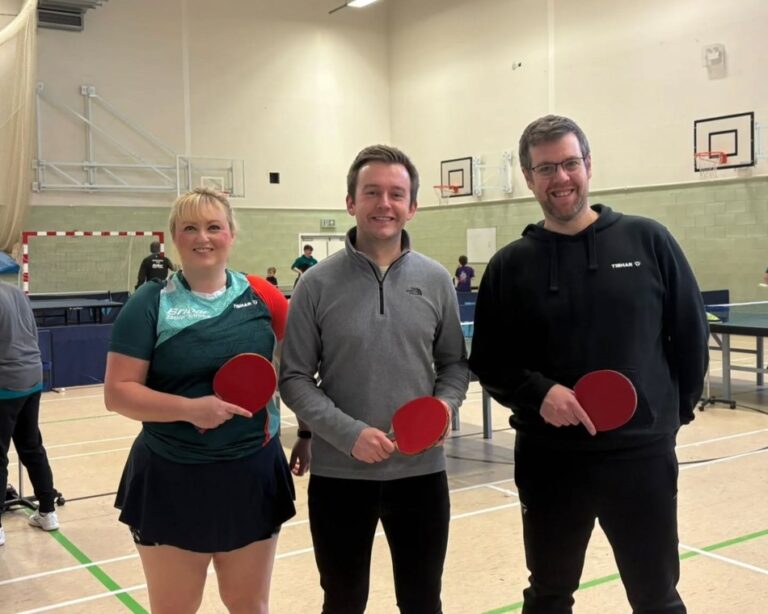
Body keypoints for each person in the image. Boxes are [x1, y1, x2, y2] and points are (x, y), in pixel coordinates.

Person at [468, 115, 709, 613]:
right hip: (550, 460)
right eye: (546, 168)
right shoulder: (510, 266)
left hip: (641, 458)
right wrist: (539, 394)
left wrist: (669, 419)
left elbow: (690, 334)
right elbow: (490, 360)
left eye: (570, 163)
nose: (561, 178)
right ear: (529, 177)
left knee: (657, 596)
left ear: (589, 166)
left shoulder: (649, 241)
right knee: (550, 594)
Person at [279, 144, 469, 614]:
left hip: (421, 475)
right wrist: (348, 435)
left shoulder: (437, 279)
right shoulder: (315, 284)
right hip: (341, 475)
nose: (385, 203)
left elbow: (454, 366)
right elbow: (295, 378)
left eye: (396, 194)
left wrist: (442, 409)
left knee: (423, 601)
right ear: (351, 202)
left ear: (412, 206)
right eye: (372, 192)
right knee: (343, 601)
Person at [104, 188, 305, 613]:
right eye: (190, 228)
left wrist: (307, 431)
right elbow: (117, 392)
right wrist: (191, 409)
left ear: (232, 234)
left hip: (251, 472)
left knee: (249, 604)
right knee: (175, 607)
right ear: (174, 237)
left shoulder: (263, 296)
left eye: (214, 226)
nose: (203, 237)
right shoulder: (149, 303)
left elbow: (297, 370)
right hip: (171, 476)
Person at [0, 282, 59, 546]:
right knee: (31, 446)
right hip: (32, 376)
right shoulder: (15, 292)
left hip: (5, 383)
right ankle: (48, 511)